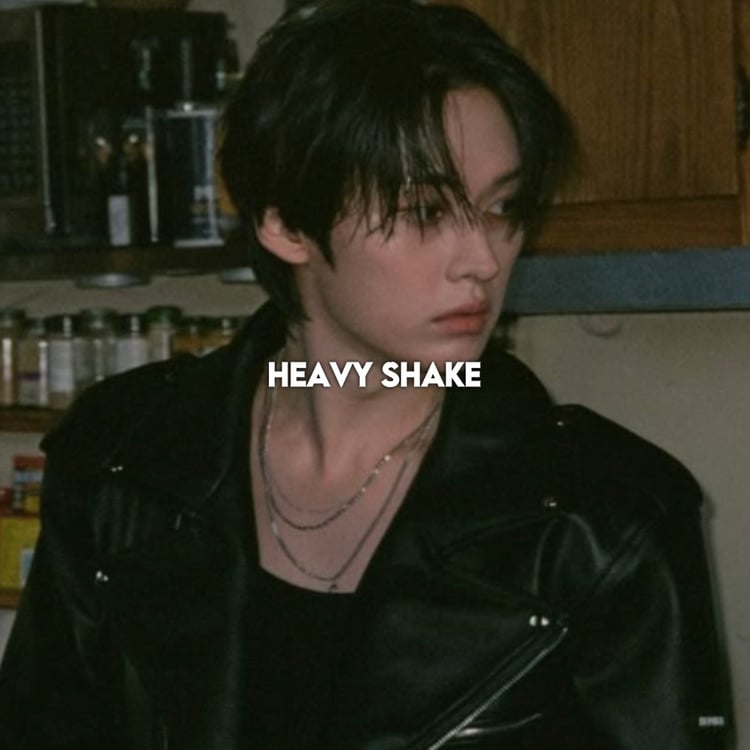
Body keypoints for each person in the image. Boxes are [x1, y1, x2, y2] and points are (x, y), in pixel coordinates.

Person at [0, 1, 732, 748]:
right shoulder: (124, 458)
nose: (483, 259)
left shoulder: (606, 514)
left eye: (501, 207)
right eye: (425, 213)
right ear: (285, 223)